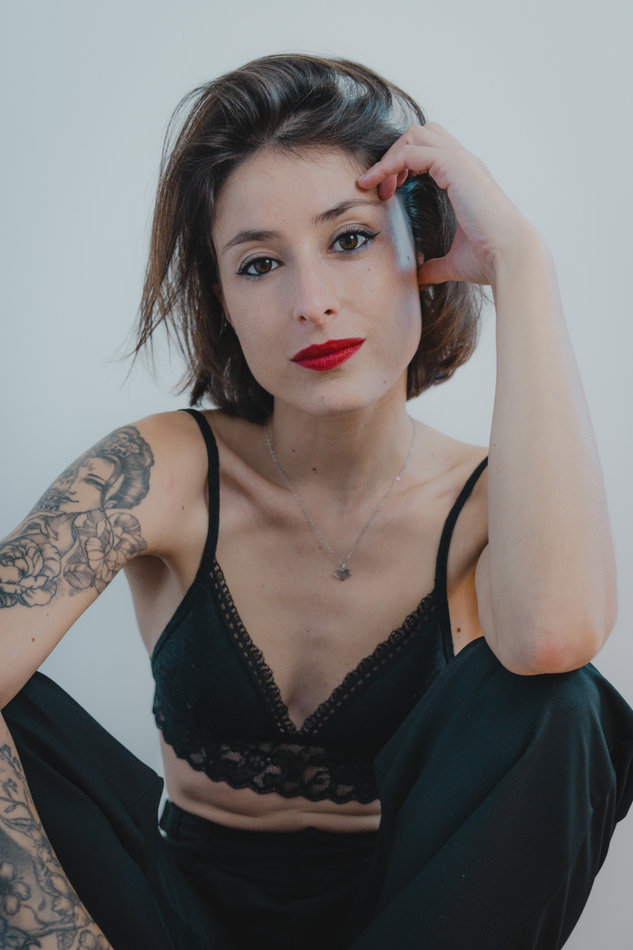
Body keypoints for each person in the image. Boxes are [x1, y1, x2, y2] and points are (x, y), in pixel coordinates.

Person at [1, 53, 632, 950]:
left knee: (559, 702)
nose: (312, 303)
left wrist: (520, 263)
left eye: (349, 240)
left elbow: (555, 637)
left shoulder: (493, 505)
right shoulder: (165, 467)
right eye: (259, 264)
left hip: (412, 919)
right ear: (221, 299)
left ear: (422, 249)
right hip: (164, 920)